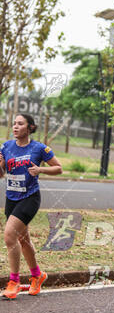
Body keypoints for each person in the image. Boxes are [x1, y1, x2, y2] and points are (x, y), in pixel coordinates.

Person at [0, 113, 62, 300]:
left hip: (30, 198)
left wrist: (40, 169)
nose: (16, 127)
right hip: (12, 198)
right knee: (23, 240)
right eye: (14, 124)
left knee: (9, 234)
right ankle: (37, 275)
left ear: (30, 128)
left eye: (20, 124)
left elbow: (58, 168)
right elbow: (1, 173)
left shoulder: (39, 148)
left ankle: (14, 281)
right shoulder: (6, 146)